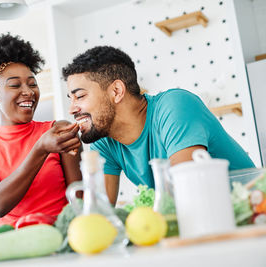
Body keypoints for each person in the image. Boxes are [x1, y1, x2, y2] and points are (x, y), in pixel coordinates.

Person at [62, 45, 255, 205]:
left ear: (116, 91)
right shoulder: (104, 141)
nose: (72, 109)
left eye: (79, 96)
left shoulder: (175, 105)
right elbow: (98, 214)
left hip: (253, 215)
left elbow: (185, 193)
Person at [0, 33, 82, 226]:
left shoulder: (58, 131)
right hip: (13, 246)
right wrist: (40, 149)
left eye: (32, 84)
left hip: (61, 240)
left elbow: (78, 200)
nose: (28, 91)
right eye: (15, 85)